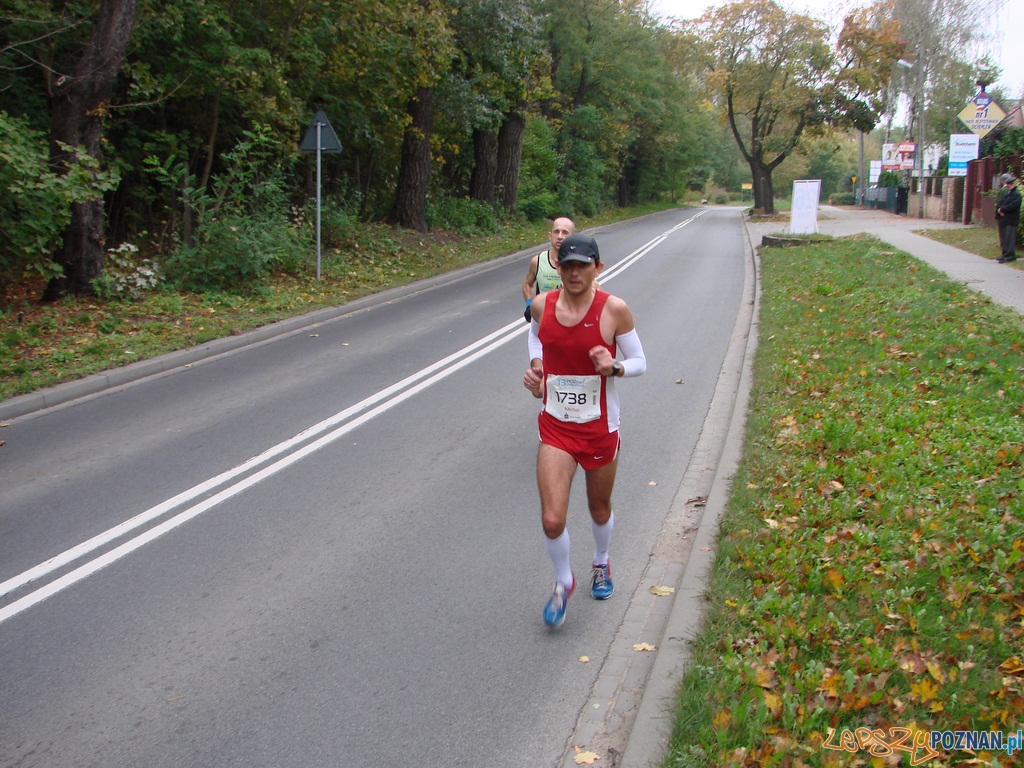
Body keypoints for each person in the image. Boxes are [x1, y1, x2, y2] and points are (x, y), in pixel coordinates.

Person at [522, 233, 647, 628]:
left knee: (598, 508)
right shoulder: (543, 305)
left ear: (598, 268)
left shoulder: (614, 310)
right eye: (567, 265)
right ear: (557, 267)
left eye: (583, 265)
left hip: (598, 429)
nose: (574, 272)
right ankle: (563, 581)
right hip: (556, 427)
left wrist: (615, 367)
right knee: (552, 519)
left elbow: (641, 360)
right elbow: (535, 338)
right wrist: (537, 370)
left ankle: (601, 562)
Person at [521, 217, 575, 321]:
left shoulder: (579, 264)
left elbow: (594, 289)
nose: (560, 236)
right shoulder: (538, 261)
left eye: (565, 233)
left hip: (569, 321)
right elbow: (528, 283)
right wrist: (529, 304)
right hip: (543, 320)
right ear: (550, 236)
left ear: (572, 237)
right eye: (556, 232)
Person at [996, 173, 1021, 263]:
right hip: (1004, 219)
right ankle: (1005, 254)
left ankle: (1010, 255)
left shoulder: (1016, 194)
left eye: (1010, 184)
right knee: (1005, 238)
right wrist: (999, 209)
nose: (1009, 185)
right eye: (1007, 184)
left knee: (1009, 238)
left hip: (1011, 219)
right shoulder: (1007, 193)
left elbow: (1013, 206)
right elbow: (1001, 202)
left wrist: (1002, 209)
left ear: (1014, 184)